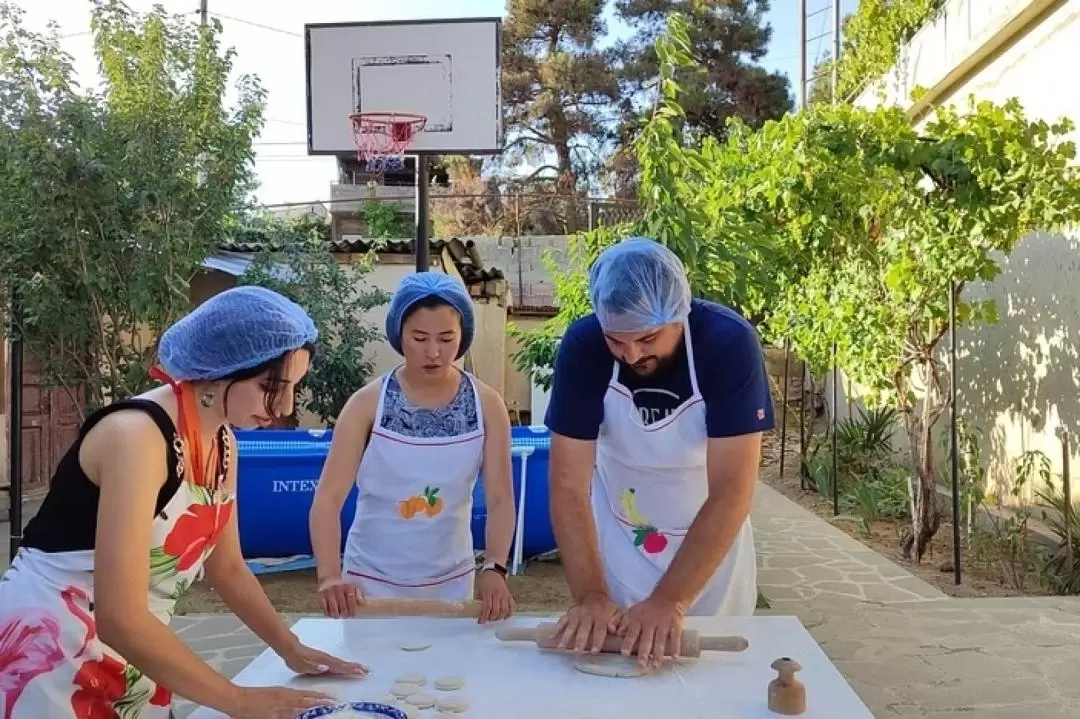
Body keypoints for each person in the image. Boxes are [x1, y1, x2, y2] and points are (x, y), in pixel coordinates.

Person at [0, 286, 368, 719]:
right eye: (271, 386)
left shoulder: (223, 443)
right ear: (219, 372)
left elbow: (227, 567)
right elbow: (120, 616)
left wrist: (290, 648)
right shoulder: (136, 437)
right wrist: (237, 700)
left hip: (134, 651)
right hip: (48, 653)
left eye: (293, 388)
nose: (285, 406)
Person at [544, 237, 775, 669]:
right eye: (617, 340)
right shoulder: (583, 348)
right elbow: (568, 484)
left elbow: (731, 491)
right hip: (621, 542)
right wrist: (591, 595)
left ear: (679, 315)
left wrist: (672, 599)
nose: (632, 355)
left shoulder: (727, 345)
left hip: (710, 553)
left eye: (648, 338)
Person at [310, 272, 516, 624]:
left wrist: (495, 567)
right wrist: (330, 576)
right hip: (370, 585)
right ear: (398, 335)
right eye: (420, 338)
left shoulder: (487, 406)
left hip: (451, 585)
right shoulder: (366, 405)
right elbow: (328, 499)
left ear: (463, 335)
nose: (434, 352)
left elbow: (500, 498)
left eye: (446, 338)